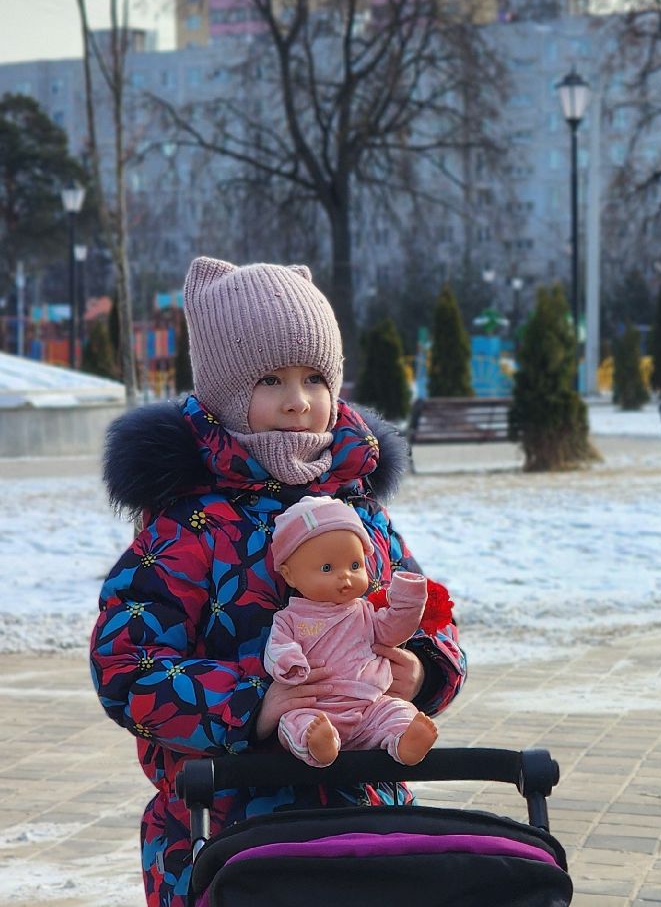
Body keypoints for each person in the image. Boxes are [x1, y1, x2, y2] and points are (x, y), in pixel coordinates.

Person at [92, 256, 465, 907]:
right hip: (224, 828)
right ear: (227, 391)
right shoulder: (189, 528)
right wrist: (253, 704)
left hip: (363, 809)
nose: (299, 400)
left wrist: (423, 671)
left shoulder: (364, 516)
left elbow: (429, 617)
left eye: (315, 377)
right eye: (271, 379)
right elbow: (129, 667)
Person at [263, 495, 439, 767]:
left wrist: (409, 600)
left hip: (369, 703)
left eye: (355, 566)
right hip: (316, 705)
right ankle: (320, 744)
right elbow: (278, 648)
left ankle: (404, 740)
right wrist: (290, 664)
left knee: (397, 711)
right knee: (294, 722)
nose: (345, 576)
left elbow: (392, 632)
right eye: (327, 568)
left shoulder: (364, 611)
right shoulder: (291, 618)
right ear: (289, 575)